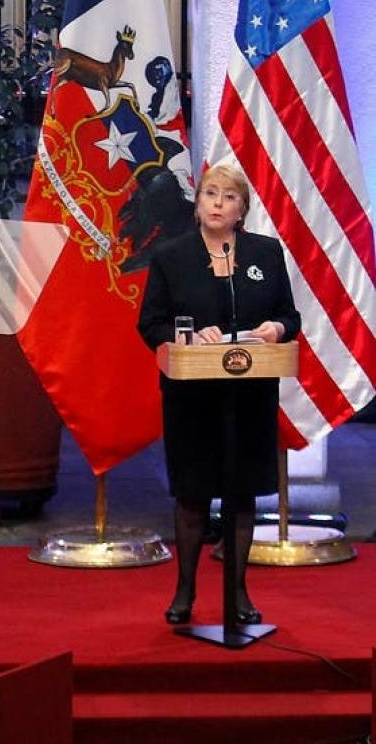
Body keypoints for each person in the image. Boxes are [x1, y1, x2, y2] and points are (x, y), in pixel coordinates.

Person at [137, 163, 300, 626]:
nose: (217, 204)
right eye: (210, 194)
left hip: (250, 396)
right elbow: (150, 324)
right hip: (192, 398)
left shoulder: (265, 253)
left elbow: (290, 316)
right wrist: (185, 335)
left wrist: (276, 328)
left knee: (241, 496)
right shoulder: (170, 256)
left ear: (241, 210)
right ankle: (185, 590)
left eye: (229, 198)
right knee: (193, 496)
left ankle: (238, 592)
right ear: (198, 204)